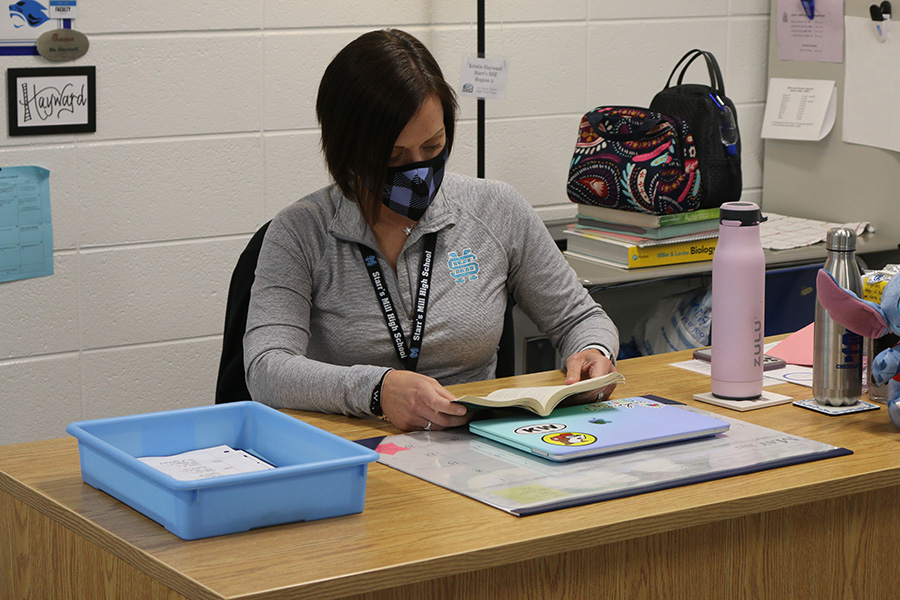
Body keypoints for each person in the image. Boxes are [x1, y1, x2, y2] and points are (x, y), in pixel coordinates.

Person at [244, 29, 619, 431]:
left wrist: (593, 350)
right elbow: (266, 368)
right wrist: (376, 390)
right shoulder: (301, 231)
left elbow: (579, 318)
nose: (418, 170)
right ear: (347, 151)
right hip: (356, 447)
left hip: (481, 444)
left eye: (433, 146)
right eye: (392, 155)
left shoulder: (496, 209)